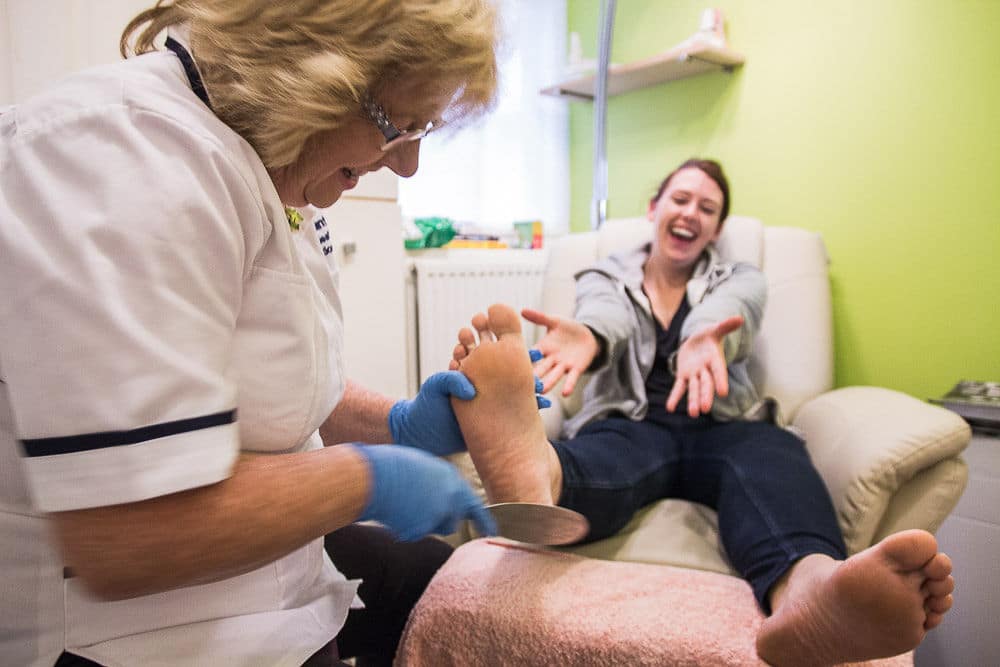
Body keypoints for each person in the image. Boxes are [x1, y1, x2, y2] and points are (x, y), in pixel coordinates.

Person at [0, 1, 506, 666]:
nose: (407, 164)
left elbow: (266, 384)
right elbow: (129, 534)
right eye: (398, 126)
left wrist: (400, 422)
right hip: (131, 634)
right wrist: (365, 478)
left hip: (271, 582)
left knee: (446, 585)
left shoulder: (274, 168)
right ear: (315, 69)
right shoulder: (121, 154)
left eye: (423, 129)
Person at [446, 159, 955, 666]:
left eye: (707, 208)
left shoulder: (741, 276)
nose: (691, 213)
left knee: (772, 459)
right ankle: (536, 478)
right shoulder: (603, 273)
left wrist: (704, 338)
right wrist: (591, 336)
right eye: (681, 199)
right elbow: (607, 314)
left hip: (725, 424)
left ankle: (813, 596)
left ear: (716, 227)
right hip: (635, 424)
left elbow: (734, 309)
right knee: (601, 458)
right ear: (655, 209)